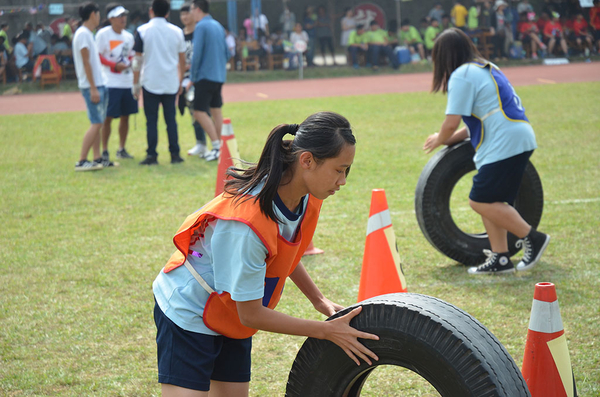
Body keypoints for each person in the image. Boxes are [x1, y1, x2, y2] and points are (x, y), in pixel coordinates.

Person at [152, 111, 379, 396]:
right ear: (307, 161)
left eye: (348, 170)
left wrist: (319, 300)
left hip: (229, 312)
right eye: (339, 169)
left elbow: (284, 252)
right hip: (190, 311)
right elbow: (251, 314)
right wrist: (324, 331)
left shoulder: (305, 197)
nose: (343, 180)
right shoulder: (246, 225)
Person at [423, 28, 550, 275]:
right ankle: (501, 258)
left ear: (445, 56)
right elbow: (478, 120)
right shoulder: (486, 67)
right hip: (517, 135)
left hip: (504, 142)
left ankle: (533, 238)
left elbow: (451, 122)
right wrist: (447, 139)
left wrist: (440, 138)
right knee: (491, 199)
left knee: (479, 200)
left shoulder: (461, 74)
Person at [133, 0, 186, 166]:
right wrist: (180, 80)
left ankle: (152, 155)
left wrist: (135, 84)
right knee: (171, 120)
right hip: (170, 81)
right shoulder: (177, 31)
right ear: (168, 12)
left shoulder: (142, 31)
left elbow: (137, 61)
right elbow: (182, 60)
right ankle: (175, 154)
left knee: (151, 121)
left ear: (151, 11)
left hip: (150, 82)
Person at [189, 0, 231, 162]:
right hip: (219, 76)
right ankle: (220, 146)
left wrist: (192, 78)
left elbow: (197, 54)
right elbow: (228, 52)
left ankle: (215, 147)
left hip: (204, 76)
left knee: (199, 112)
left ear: (197, 9)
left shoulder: (201, 26)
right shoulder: (217, 26)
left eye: (191, 9)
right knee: (216, 110)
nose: (191, 13)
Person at [96, 3, 137, 166]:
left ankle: (122, 148)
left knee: (126, 116)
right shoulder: (103, 34)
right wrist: (114, 65)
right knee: (108, 118)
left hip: (127, 82)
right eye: (119, 16)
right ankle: (104, 150)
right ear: (111, 18)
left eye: (124, 15)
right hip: (110, 83)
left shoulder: (129, 36)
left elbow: (133, 55)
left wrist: (130, 64)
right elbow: (97, 56)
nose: (123, 19)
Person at [72, 2, 108, 172]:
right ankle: (82, 160)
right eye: (98, 14)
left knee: (98, 123)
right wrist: (93, 87)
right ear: (93, 14)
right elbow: (86, 62)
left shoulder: (88, 34)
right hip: (91, 85)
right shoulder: (83, 34)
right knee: (96, 122)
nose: (99, 17)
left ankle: (96, 157)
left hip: (98, 83)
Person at [179, 2, 209, 159]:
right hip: (184, 80)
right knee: (193, 112)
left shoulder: (199, 32)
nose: (184, 17)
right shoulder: (179, 35)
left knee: (203, 111)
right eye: (182, 14)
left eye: (187, 13)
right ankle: (200, 143)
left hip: (198, 78)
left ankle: (211, 144)